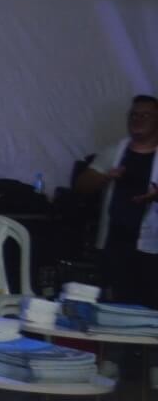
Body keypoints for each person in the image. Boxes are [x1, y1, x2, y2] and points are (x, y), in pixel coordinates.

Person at [75, 95, 158, 307]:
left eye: (145, 115)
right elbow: (82, 185)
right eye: (134, 115)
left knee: (149, 310)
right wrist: (105, 177)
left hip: (151, 250)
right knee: (115, 309)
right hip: (114, 246)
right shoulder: (115, 152)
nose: (137, 119)